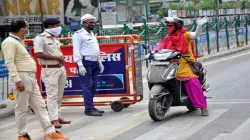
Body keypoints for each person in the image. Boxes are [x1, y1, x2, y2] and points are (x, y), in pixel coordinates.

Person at [1, 19, 69, 140]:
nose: (28, 30)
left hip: (30, 76)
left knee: (40, 105)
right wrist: (17, 80)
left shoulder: (20, 41)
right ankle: (22, 134)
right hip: (22, 76)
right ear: (22, 29)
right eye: (27, 27)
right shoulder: (9, 42)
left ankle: (50, 132)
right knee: (22, 107)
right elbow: (9, 62)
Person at [153, 16, 209, 116]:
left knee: (193, 83)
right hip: (170, 64)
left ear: (177, 26)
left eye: (170, 25)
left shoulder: (185, 35)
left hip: (185, 64)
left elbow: (196, 35)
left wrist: (199, 26)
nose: (168, 27)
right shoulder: (168, 37)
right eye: (168, 26)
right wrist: (152, 53)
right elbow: (159, 47)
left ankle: (203, 107)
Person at [33, 18, 71, 128]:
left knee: (59, 95)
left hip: (60, 68)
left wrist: (64, 67)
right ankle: (53, 119)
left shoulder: (55, 38)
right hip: (49, 70)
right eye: (57, 25)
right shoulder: (40, 38)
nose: (59, 27)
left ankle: (58, 116)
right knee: (52, 96)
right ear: (50, 26)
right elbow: (38, 54)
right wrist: (55, 58)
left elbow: (59, 53)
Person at [72, 14, 104, 116]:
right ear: (84, 23)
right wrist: (80, 65)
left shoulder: (91, 34)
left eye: (94, 22)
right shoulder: (78, 34)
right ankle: (88, 108)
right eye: (91, 22)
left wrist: (99, 62)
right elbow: (76, 50)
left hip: (94, 62)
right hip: (85, 62)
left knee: (93, 86)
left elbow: (95, 49)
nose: (93, 24)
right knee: (87, 86)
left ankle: (91, 106)